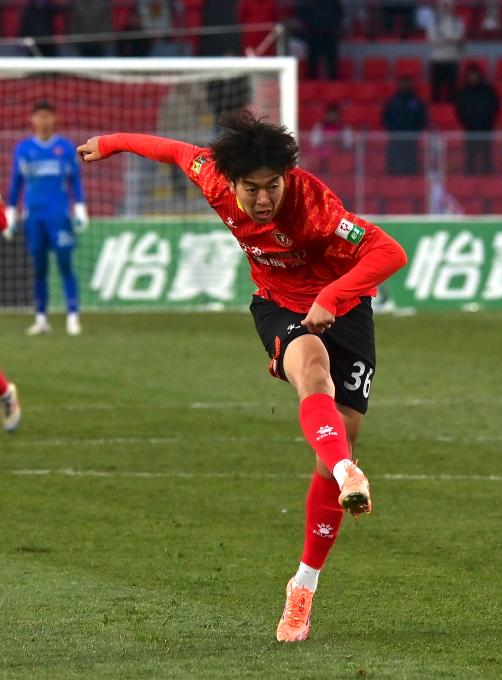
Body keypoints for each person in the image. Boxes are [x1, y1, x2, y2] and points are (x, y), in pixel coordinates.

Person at [76, 109, 408, 643]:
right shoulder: (212, 175)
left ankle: (303, 582)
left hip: (344, 308)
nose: (263, 199)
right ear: (229, 182)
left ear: (286, 178)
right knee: (312, 371)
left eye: (272, 186)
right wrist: (112, 141)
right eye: (251, 189)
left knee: (338, 439)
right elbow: (173, 151)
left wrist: (332, 296)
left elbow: (390, 251)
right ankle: (348, 470)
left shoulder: (315, 206)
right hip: (278, 306)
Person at [5, 102, 88, 337]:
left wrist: (80, 207)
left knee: (65, 265)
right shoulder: (23, 150)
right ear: (32, 120)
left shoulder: (65, 148)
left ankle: (73, 316)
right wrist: (9, 213)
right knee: (39, 269)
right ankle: (41, 318)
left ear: (54, 119)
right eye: (39, 116)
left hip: (58, 216)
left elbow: (75, 181)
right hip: (33, 217)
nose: (43, 121)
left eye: (47, 116)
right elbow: (16, 184)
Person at [454, 62, 500, 175]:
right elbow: (458, 109)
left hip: (486, 128)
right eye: (471, 75)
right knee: (470, 154)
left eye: (475, 74)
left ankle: (487, 176)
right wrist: (466, 121)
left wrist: (489, 121)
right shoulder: (463, 92)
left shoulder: (488, 91)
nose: (473, 77)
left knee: (486, 154)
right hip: (470, 129)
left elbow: (495, 107)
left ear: (479, 75)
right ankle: (470, 176)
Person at [382, 76, 428, 175]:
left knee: (410, 159)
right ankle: (394, 174)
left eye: (407, 83)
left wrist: (416, 131)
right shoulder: (393, 101)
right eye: (403, 83)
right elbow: (386, 117)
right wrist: (392, 131)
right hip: (396, 137)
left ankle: (411, 174)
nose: (405, 85)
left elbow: (422, 118)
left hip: (411, 137)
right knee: (396, 159)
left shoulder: (417, 101)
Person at [426, 0, 466, 103]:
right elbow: (432, 40)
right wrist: (450, 39)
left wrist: (443, 38)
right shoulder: (432, 22)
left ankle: (451, 111)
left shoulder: (458, 21)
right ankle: (435, 110)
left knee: (452, 90)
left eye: (448, 5)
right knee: (436, 90)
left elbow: (458, 38)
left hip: (452, 59)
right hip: (437, 60)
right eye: (443, 5)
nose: (445, 7)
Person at [295, 0, 343, 81]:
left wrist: (333, 26)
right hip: (314, 35)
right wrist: (309, 25)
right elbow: (301, 13)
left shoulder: (333, 2)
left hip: (329, 34)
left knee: (332, 63)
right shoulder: (308, 2)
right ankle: (311, 83)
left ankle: (334, 83)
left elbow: (339, 14)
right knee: (312, 63)